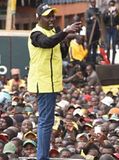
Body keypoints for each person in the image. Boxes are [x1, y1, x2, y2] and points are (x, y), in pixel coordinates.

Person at [27, 3, 81, 160]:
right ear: (38, 17)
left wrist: (67, 39)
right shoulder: (36, 34)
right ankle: (42, 157)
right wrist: (64, 32)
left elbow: (61, 53)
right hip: (43, 83)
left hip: (51, 83)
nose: (51, 19)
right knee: (45, 122)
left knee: (48, 121)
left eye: (53, 16)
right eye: (47, 16)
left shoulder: (53, 31)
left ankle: (42, 156)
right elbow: (46, 43)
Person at [103, 0, 119, 64]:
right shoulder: (106, 11)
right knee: (107, 46)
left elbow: (118, 21)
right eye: (110, 4)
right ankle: (108, 60)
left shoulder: (116, 11)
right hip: (108, 29)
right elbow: (104, 20)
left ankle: (113, 61)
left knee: (113, 45)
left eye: (113, 5)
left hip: (114, 28)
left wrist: (115, 15)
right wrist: (108, 14)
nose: (112, 6)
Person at [85, 0, 101, 64]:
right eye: (92, 2)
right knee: (89, 46)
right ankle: (88, 61)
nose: (93, 3)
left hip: (96, 31)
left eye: (94, 2)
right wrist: (92, 18)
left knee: (95, 47)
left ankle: (94, 61)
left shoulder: (97, 10)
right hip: (90, 31)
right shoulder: (88, 11)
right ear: (90, 3)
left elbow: (100, 19)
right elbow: (86, 19)